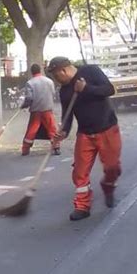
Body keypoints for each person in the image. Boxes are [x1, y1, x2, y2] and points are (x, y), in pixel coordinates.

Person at [47, 56, 121, 221]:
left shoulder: (91, 71)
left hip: (107, 128)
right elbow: (68, 116)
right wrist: (63, 133)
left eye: (56, 76)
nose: (56, 80)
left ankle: (108, 186)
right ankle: (82, 206)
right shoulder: (65, 91)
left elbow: (109, 90)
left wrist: (87, 88)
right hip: (85, 134)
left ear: (64, 70)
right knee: (79, 172)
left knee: (112, 167)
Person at [21, 63, 59, 156]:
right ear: (40, 70)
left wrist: (24, 105)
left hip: (36, 110)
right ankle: (56, 147)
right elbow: (53, 93)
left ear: (31, 72)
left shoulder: (30, 83)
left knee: (32, 129)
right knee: (52, 128)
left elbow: (29, 98)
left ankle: (25, 149)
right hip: (47, 109)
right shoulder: (49, 81)